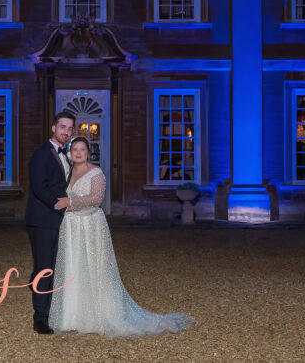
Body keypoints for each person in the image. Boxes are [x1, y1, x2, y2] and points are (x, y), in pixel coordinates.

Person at [48, 136, 195, 337]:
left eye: (82, 149)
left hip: (91, 225)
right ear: (70, 153)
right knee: (73, 266)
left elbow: (96, 198)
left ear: (88, 152)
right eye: (75, 150)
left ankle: (97, 315)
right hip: (71, 226)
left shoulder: (96, 173)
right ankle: (72, 316)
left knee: (93, 267)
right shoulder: (67, 172)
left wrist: (70, 203)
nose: (79, 153)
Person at [25, 111, 75, 335]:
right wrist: (60, 204)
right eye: (62, 127)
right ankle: (40, 319)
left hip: (58, 220)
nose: (66, 131)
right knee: (46, 270)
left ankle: (47, 304)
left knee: (52, 266)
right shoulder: (41, 153)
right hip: (42, 220)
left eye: (70, 128)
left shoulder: (68, 154)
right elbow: (39, 187)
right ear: (53, 127)